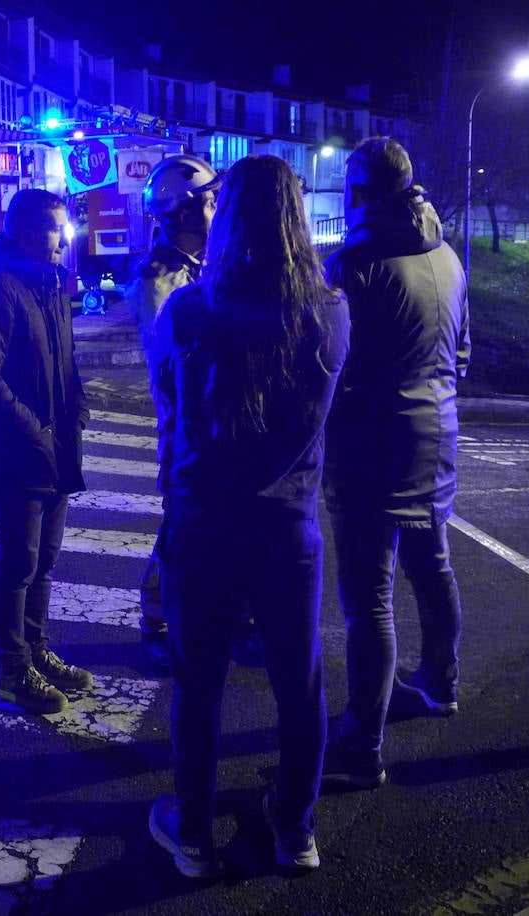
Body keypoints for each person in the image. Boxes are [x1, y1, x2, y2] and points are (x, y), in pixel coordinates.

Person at [147, 155, 349, 877]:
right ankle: (295, 828)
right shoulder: (330, 309)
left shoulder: (189, 309)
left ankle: (194, 830)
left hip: (203, 520)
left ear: (225, 218)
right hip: (288, 527)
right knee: (300, 682)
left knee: (198, 686)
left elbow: (169, 407)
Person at [320, 137, 470, 792]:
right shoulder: (447, 255)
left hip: (374, 442)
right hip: (438, 429)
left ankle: (361, 741)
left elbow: (332, 365)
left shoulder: (355, 262)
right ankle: (441, 681)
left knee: (369, 596)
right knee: (432, 565)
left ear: (360, 188)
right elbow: (463, 352)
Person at [0, 188, 93, 716]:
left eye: (64, 227)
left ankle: (36, 651)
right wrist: (33, 429)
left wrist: (76, 412)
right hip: (21, 453)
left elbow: (67, 364)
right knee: (17, 563)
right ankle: (13, 669)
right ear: (25, 231)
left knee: (46, 562)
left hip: (56, 448)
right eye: (55, 228)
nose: (64, 238)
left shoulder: (51, 285)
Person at [125, 154, 221, 673]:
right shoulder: (160, 282)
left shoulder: (199, 267)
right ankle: (156, 621)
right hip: (183, 425)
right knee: (179, 525)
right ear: (183, 213)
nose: (216, 209)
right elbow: (174, 360)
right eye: (208, 202)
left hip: (207, 419)